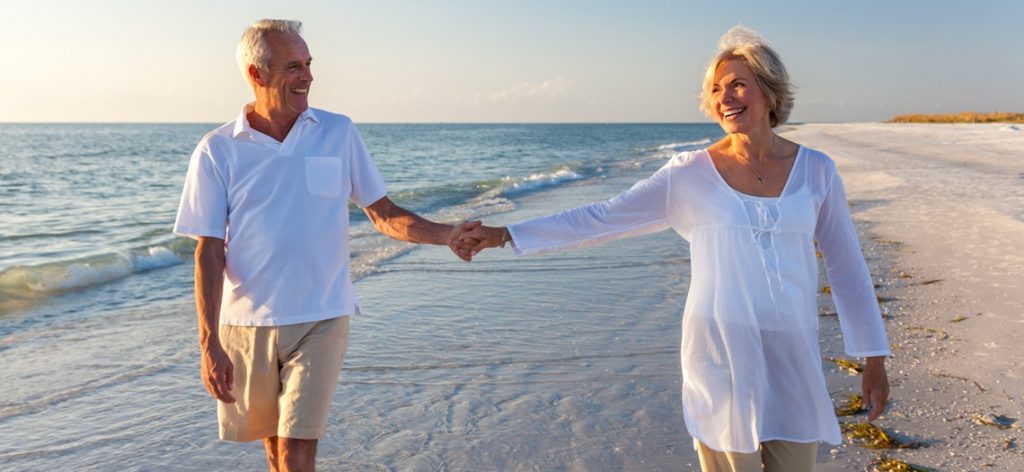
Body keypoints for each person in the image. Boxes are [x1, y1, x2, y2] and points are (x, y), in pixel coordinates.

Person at [461, 26, 890, 472]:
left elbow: (847, 269)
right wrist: (506, 233)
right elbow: (603, 217)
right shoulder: (689, 174)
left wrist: (873, 360)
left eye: (739, 83)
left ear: (770, 91)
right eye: (716, 89)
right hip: (721, 355)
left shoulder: (817, 171)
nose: (726, 96)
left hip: (793, 358)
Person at [173, 19, 478, 472]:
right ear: (257, 74)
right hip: (246, 322)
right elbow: (209, 250)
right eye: (294, 65)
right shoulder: (217, 149)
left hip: (322, 314)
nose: (308, 76)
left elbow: (383, 212)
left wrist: (444, 234)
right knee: (274, 445)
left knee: (298, 445)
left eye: (309, 64)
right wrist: (208, 345)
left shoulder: (338, 131)